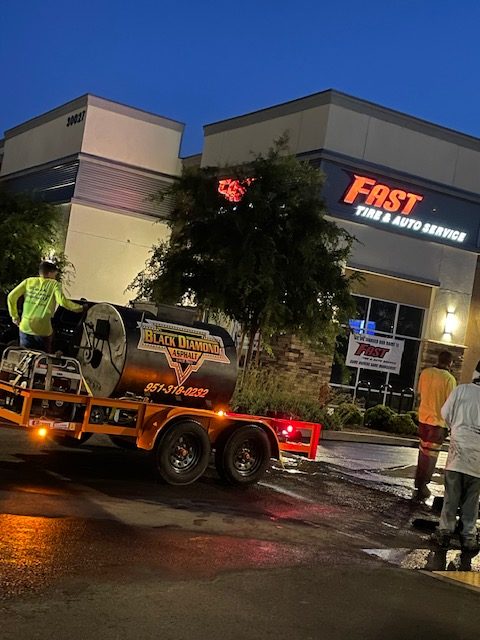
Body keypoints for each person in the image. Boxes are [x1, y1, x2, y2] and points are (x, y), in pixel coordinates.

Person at [431, 363, 480, 551]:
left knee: (452, 496)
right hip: (477, 460)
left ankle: (445, 532)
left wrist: (457, 427)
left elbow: (445, 413)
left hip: (457, 454)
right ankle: (468, 536)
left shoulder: (461, 391)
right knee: (472, 499)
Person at [7, 261, 84, 352]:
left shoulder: (28, 281)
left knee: (25, 357)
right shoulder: (54, 284)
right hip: (43, 329)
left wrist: (14, 316)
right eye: (55, 274)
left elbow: (11, 297)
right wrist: (80, 308)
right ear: (50, 273)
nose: (55, 277)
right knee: (44, 358)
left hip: (25, 326)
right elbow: (62, 302)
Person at [413, 350, 456, 501]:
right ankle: (424, 485)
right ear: (450, 363)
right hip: (438, 422)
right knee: (431, 455)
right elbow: (450, 404)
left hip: (423, 419)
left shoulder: (425, 373)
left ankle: (418, 482)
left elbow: (420, 394)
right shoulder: (449, 379)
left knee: (422, 451)